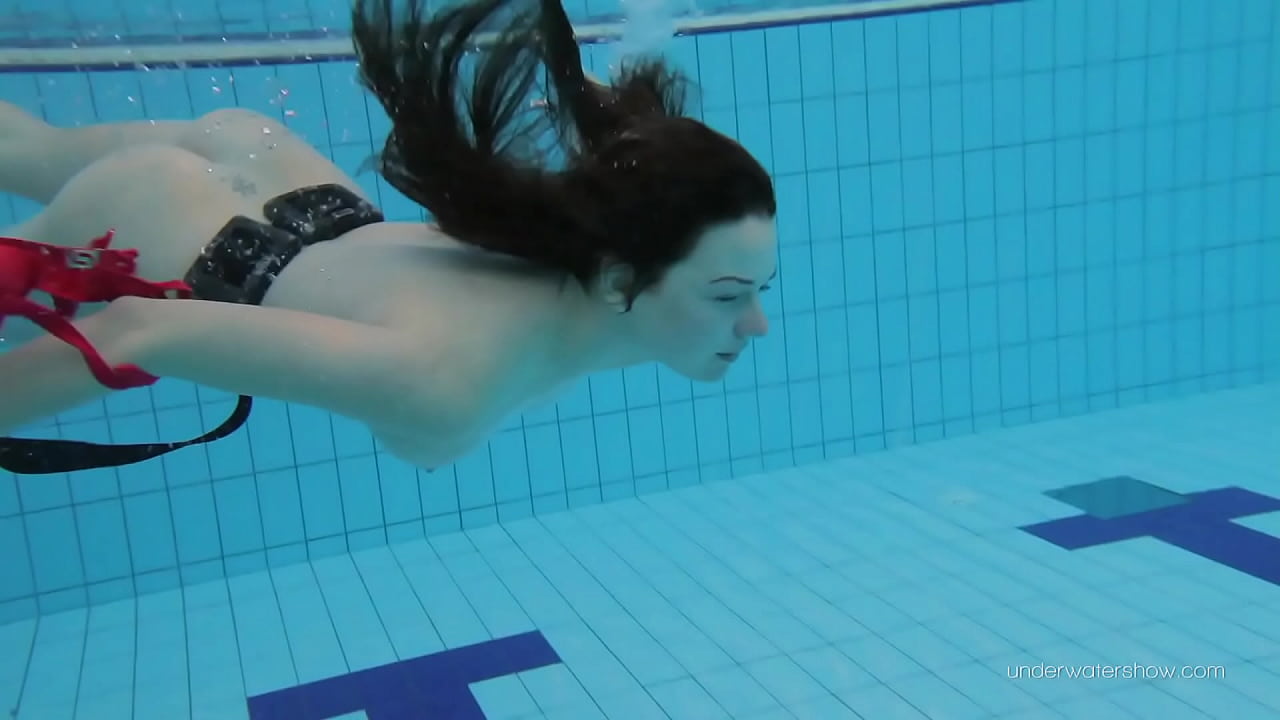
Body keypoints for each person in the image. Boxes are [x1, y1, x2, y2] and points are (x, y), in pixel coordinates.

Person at [0, 0, 777, 474]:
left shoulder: (577, 246)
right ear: (619, 282)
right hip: (161, 222)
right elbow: (140, 329)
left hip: (274, 164)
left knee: (28, 148)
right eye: (728, 294)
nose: (755, 324)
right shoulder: (454, 379)